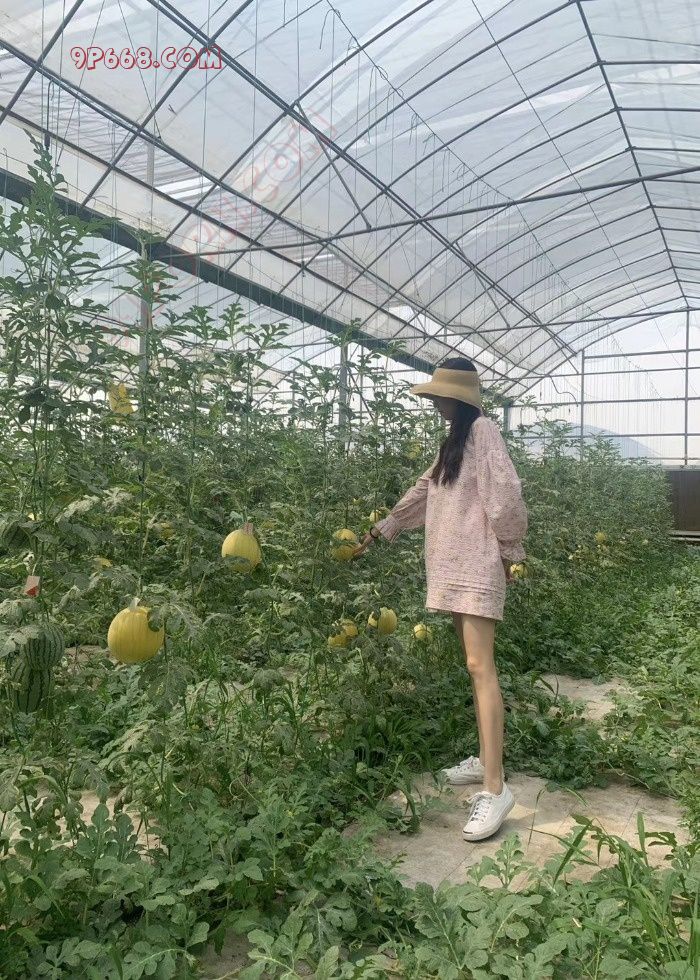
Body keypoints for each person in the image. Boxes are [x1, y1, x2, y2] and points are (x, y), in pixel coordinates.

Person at [354, 358, 528, 842]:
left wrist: (511, 550)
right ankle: (485, 759)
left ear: (459, 397)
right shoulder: (455, 438)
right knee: (474, 666)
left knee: (480, 666)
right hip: (453, 565)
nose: (433, 402)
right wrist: (386, 526)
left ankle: (496, 789)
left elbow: (505, 492)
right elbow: (427, 488)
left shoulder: (484, 430)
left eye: (438, 395)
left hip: (477, 563)